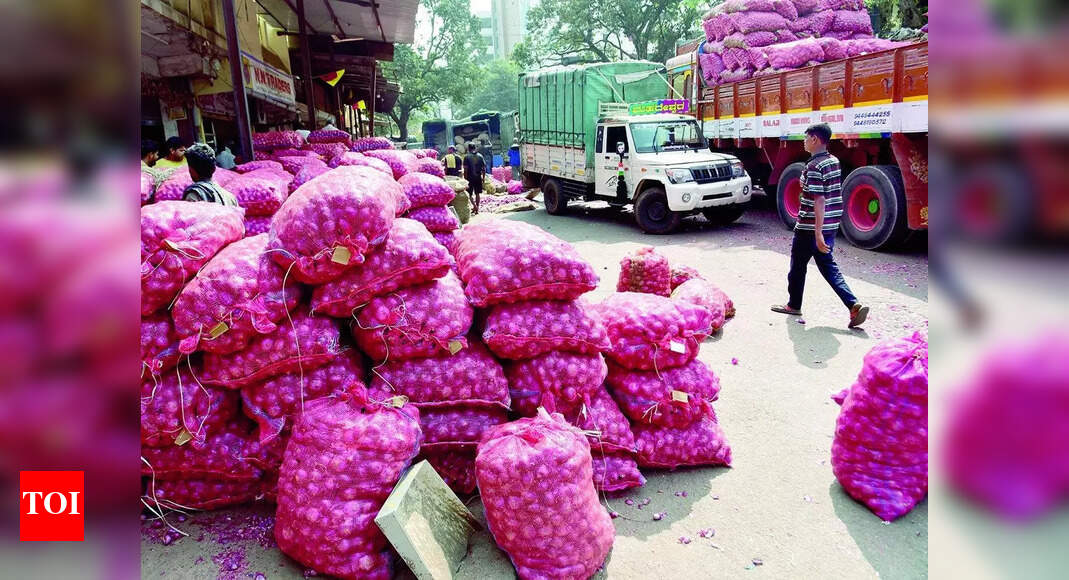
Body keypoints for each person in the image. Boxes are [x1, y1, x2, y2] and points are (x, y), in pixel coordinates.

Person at [771, 124, 869, 328]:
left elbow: (820, 200)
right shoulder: (833, 161)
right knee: (827, 266)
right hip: (831, 224)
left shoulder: (814, 166)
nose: (804, 141)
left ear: (815, 139)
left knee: (797, 267)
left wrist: (817, 233)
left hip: (810, 227)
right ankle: (853, 305)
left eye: (806, 137)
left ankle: (793, 305)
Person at [463, 142, 486, 215]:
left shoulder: (466, 157)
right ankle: (477, 208)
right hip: (478, 177)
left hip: (470, 178)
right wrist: (483, 178)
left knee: (469, 194)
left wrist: (465, 179)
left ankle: (475, 206)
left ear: (468, 148)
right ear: (475, 147)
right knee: (477, 193)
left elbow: (465, 169)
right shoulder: (480, 156)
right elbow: (484, 168)